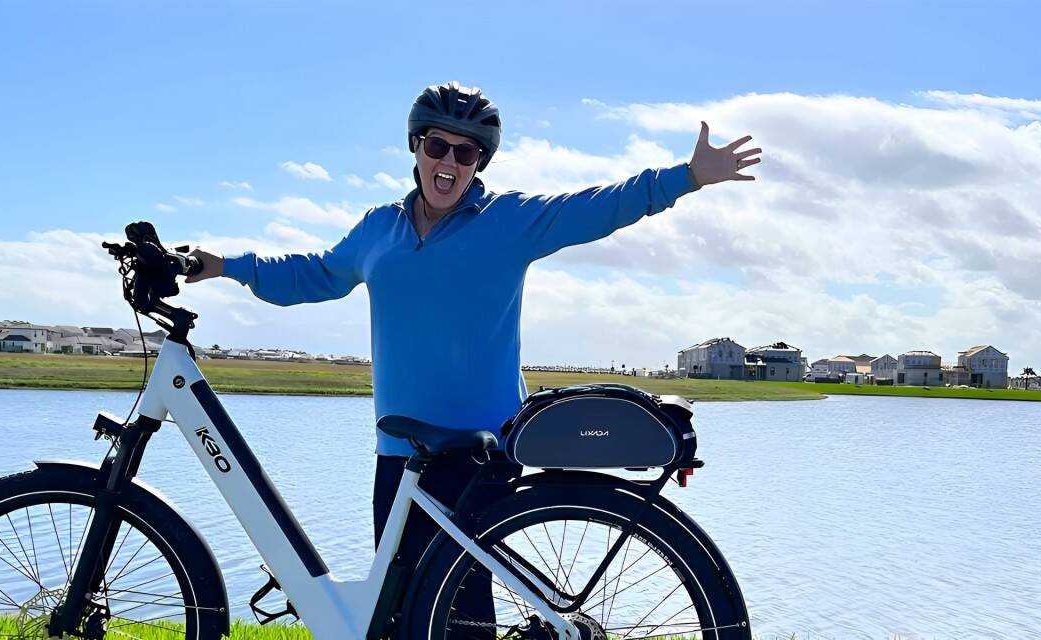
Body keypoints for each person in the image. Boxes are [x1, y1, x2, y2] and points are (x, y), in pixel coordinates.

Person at [184, 81, 760, 627]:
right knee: (401, 607)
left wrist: (687, 176)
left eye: (467, 153)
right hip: (401, 450)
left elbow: (596, 207)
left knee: (461, 617)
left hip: (480, 449)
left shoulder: (507, 222)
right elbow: (313, 275)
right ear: (416, 146)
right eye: (439, 145)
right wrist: (226, 266)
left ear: (478, 163)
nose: (451, 162)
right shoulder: (378, 230)